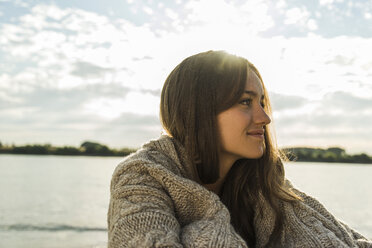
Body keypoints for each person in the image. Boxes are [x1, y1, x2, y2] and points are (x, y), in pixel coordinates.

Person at [107, 50, 371, 247]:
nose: (264, 118)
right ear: (201, 113)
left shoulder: (267, 188)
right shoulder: (142, 178)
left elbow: (346, 239)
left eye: (262, 103)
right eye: (245, 102)